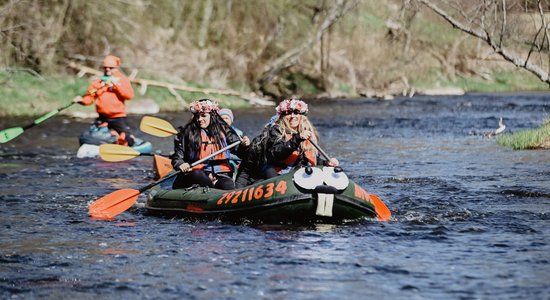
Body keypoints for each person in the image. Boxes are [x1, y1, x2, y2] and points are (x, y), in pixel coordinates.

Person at [235, 98, 338, 187]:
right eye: (288, 113)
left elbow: (306, 158)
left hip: (295, 175)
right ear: (282, 117)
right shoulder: (275, 131)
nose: (292, 116)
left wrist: (326, 163)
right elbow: (277, 152)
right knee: (270, 171)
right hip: (273, 176)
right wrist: (297, 138)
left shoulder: (306, 133)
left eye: (296, 113)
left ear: (302, 116)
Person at [171, 99, 250, 190]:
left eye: (204, 116)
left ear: (212, 116)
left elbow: (240, 152)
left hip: (221, 175)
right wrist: (181, 164)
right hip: (196, 174)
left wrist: (245, 146)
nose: (200, 119)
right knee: (197, 174)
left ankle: (218, 191)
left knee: (229, 186)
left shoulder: (225, 131)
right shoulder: (187, 133)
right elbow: (177, 157)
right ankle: (212, 191)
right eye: (197, 116)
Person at [74, 55, 136, 146]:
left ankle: (121, 139)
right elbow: (89, 98)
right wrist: (81, 100)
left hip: (118, 117)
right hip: (102, 117)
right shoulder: (98, 82)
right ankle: (108, 139)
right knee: (88, 136)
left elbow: (129, 96)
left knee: (128, 140)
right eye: (105, 68)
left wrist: (116, 85)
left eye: (111, 68)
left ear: (116, 68)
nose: (108, 70)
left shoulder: (123, 80)